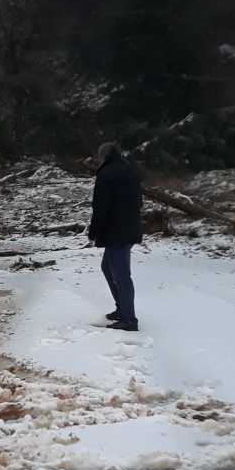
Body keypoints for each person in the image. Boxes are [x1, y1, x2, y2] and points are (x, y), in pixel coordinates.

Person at [88, 142, 143, 332]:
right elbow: (139, 202)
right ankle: (122, 309)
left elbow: (100, 207)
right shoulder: (129, 171)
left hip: (117, 232)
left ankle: (129, 319)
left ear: (104, 156)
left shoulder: (107, 174)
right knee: (108, 268)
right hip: (128, 228)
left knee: (121, 275)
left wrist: (93, 233)